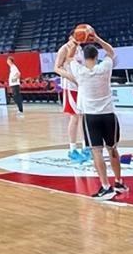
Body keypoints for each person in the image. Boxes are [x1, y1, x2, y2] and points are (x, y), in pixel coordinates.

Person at [55, 29, 128, 200]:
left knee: (97, 152)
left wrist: (75, 42)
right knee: (113, 149)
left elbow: (69, 59)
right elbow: (111, 52)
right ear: (97, 56)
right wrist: (98, 39)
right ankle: (119, 182)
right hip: (109, 115)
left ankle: (105, 187)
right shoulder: (105, 67)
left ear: (84, 57)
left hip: (91, 117)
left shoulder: (79, 72)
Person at [55, 35, 90, 163]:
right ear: (70, 37)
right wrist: (71, 77)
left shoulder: (80, 49)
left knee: (83, 117)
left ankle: (86, 147)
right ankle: (72, 149)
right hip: (70, 87)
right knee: (75, 117)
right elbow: (56, 68)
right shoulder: (64, 49)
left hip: (81, 86)